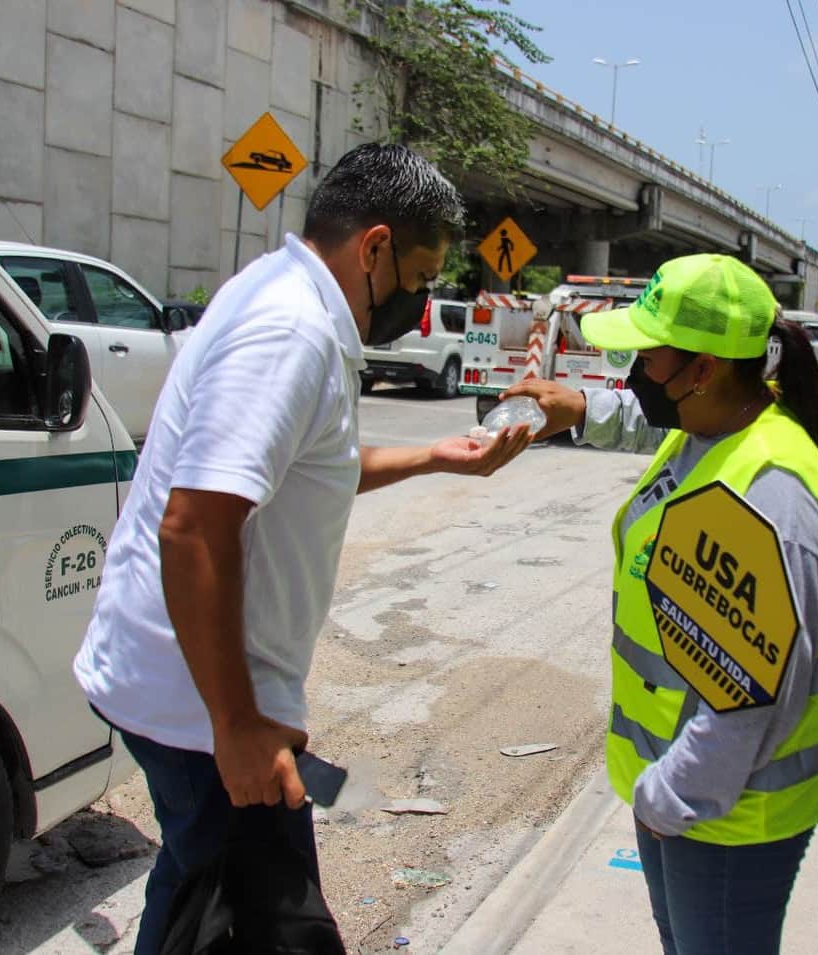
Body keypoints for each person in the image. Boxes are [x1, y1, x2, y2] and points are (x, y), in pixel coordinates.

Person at [73, 142, 532, 954]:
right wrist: (239, 723)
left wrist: (434, 454)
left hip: (192, 687)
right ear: (376, 246)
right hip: (201, 702)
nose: (420, 303)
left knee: (194, 891)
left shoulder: (279, 290)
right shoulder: (293, 332)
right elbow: (193, 529)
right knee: (269, 926)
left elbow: (297, 472)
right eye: (421, 279)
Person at [504, 253, 818, 955]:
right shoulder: (717, 423)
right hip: (688, 792)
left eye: (648, 354)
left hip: (726, 808)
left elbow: (751, 693)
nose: (636, 368)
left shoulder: (770, 490)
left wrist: (668, 798)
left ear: (702, 369)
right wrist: (577, 409)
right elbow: (652, 425)